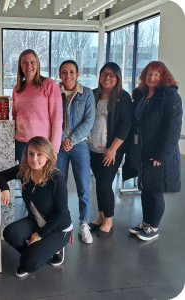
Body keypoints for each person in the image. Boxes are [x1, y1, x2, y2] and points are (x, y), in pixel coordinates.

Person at [0, 136, 73, 277]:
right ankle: (33, 253)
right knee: (9, 233)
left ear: (48, 156)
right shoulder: (24, 170)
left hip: (58, 228)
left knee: (30, 265)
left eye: (39, 154)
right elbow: (0, 176)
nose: (34, 159)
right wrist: (5, 188)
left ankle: (55, 249)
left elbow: (62, 214)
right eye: (30, 153)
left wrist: (40, 234)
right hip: (36, 221)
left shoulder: (56, 178)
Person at [124, 61, 182, 241]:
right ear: (144, 75)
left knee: (156, 189)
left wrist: (161, 155)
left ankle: (154, 228)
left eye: (157, 74)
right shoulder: (142, 95)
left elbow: (173, 129)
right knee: (145, 187)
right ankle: (146, 222)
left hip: (158, 153)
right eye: (149, 74)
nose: (152, 78)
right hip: (142, 150)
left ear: (163, 77)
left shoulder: (170, 96)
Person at [87, 62, 132, 237]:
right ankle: (100, 217)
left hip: (111, 150)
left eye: (112, 75)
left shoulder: (123, 97)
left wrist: (113, 149)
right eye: (104, 74)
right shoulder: (93, 94)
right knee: (99, 184)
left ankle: (108, 222)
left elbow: (126, 125)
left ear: (118, 78)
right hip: (93, 148)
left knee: (105, 184)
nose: (107, 77)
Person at [56, 60, 95, 244]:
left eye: (72, 72)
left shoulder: (86, 93)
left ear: (77, 74)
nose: (68, 76)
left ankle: (84, 223)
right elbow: (53, 117)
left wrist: (71, 139)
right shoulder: (55, 92)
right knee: (59, 185)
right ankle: (62, 222)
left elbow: (89, 121)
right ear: (60, 74)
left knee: (83, 185)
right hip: (59, 145)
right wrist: (64, 138)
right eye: (64, 72)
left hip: (79, 145)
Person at [12, 49, 62, 162]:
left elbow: (57, 120)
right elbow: (15, 117)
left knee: (42, 179)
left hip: (42, 145)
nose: (28, 66)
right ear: (20, 66)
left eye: (32, 62)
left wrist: (54, 149)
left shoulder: (49, 85)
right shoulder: (17, 89)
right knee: (25, 179)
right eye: (24, 62)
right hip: (21, 145)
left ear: (37, 64)